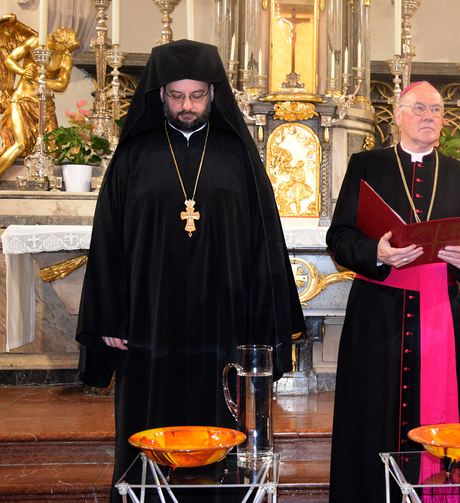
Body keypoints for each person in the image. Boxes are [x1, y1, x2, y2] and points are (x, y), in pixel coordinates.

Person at [75, 40, 306, 501]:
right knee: (149, 422)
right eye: (177, 96)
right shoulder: (133, 156)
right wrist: (110, 317)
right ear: (159, 94)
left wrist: (263, 322)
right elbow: (107, 243)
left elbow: (264, 243)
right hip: (148, 320)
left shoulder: (237, 156)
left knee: (223, 422)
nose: (186, 106)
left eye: (196, 95)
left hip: (224, 320)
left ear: (213, 94)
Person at [326, 81, 460, 502]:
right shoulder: (367, 165)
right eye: (419, 108)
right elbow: (340, 236)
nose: (429, 117)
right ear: (398, 115)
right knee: (372, 406)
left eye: (437, 110)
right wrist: (376, 251)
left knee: (439, 412)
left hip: (438, 310)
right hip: (378, 309)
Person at [0, 26, 79, 175]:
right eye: (67, 47)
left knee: (56, 150)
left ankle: (41, 180)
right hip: (22, 100)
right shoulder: (36, 43)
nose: (67, 51)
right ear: (60, 42)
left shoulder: (65, 57)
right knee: (20, 144)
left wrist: (38, 79)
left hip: (44, 105)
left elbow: (61, 85)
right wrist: (23, 72)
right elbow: (10, 59)